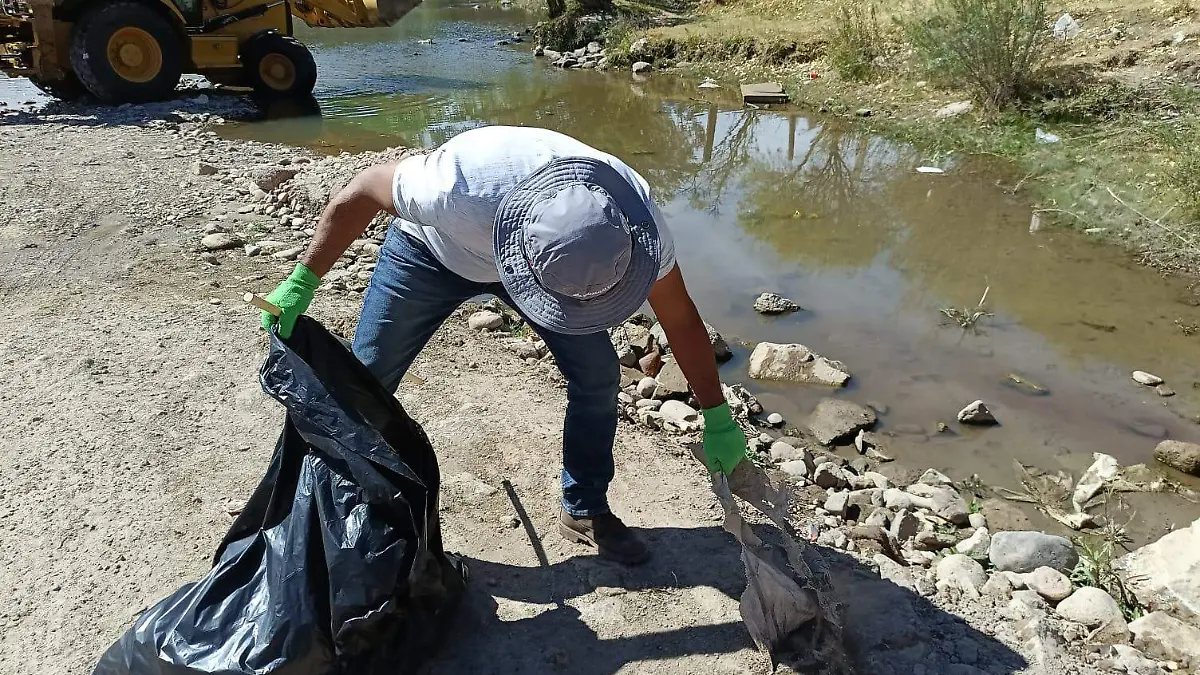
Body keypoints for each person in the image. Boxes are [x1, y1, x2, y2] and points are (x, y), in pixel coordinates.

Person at [260, 126, 747, 565]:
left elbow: (679, 315)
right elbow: (362, 191)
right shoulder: (458, 188)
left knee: (598, 374)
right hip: (430, 252)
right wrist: (303, 280)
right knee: (366, 379)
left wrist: (716, 414)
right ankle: (314, 507)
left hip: (548, 268)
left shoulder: (635, 222)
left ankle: (584, 508)